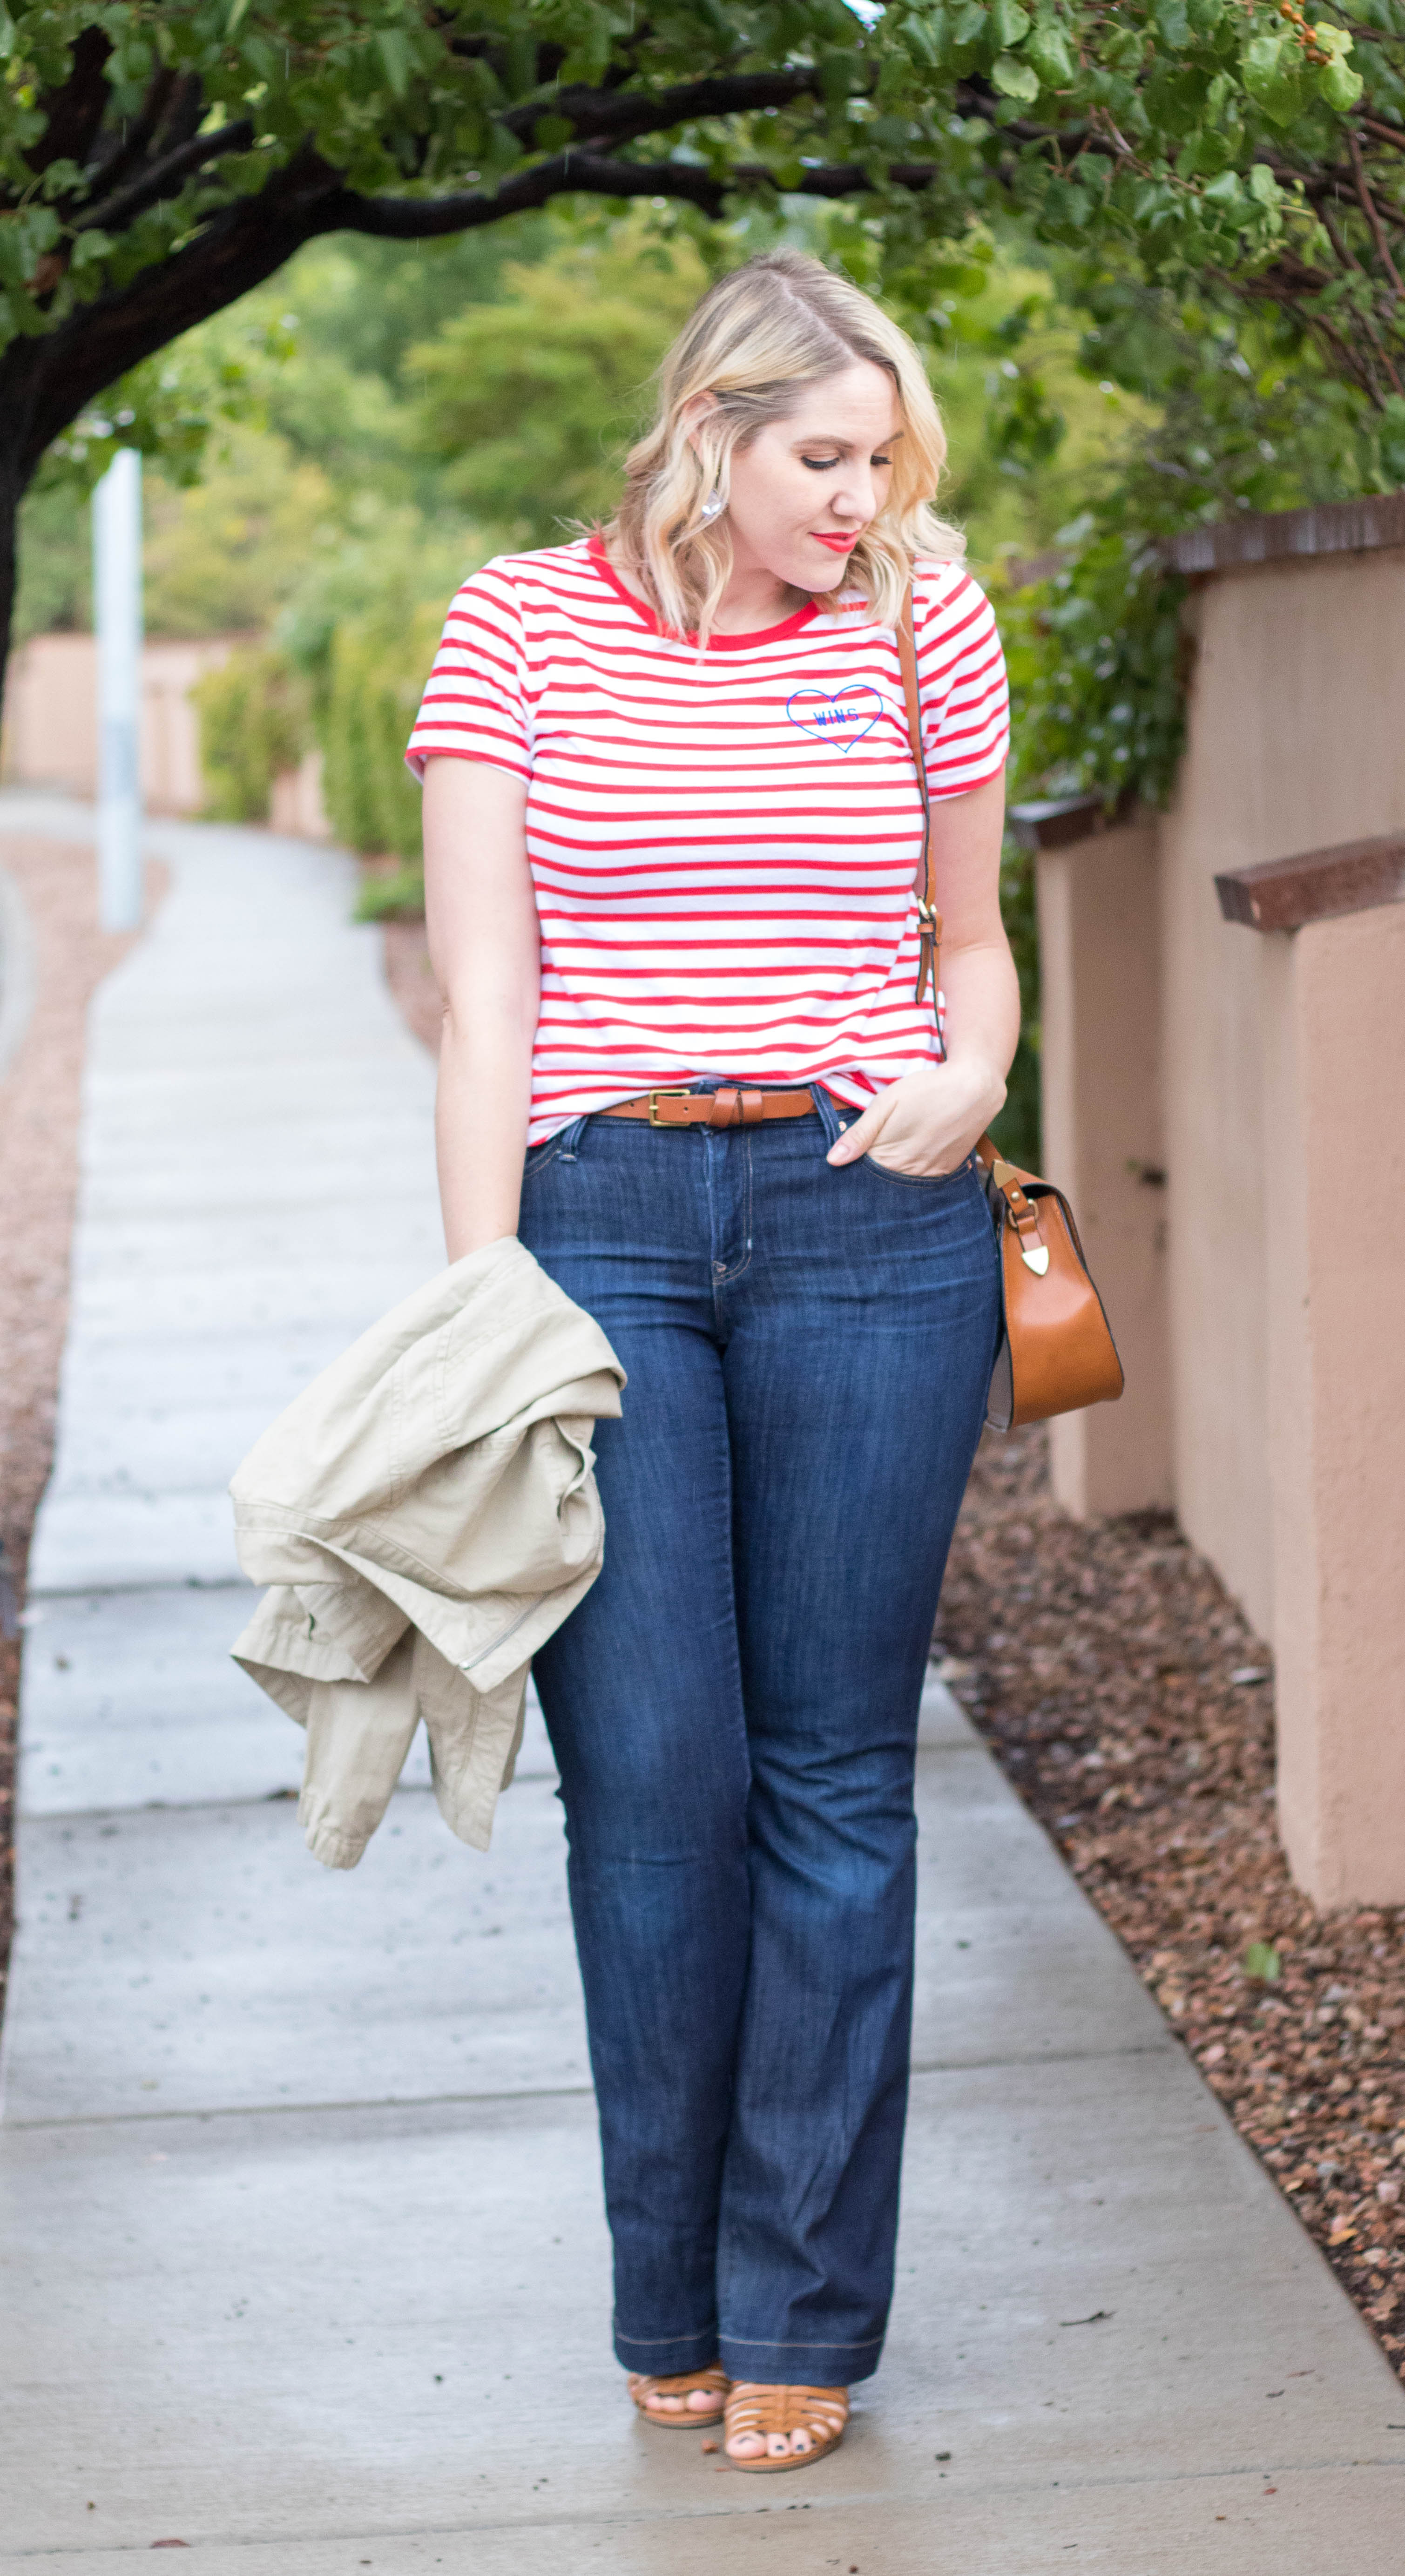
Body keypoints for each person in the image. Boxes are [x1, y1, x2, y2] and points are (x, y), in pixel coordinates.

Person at [407, 248, 1017, 2474]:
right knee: (655, 1781)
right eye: (820, 459)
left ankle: (803, 2315)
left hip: (873, 1211)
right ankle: (661, 2284)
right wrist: (490, 1303)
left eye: (885, 461)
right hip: (603, 1223)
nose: (859, 500)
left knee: (836, 1776)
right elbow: (485, 991)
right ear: (708, 438)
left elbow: (970, 940)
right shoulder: (521, 621)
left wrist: (970, 1077)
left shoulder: (918, 624)